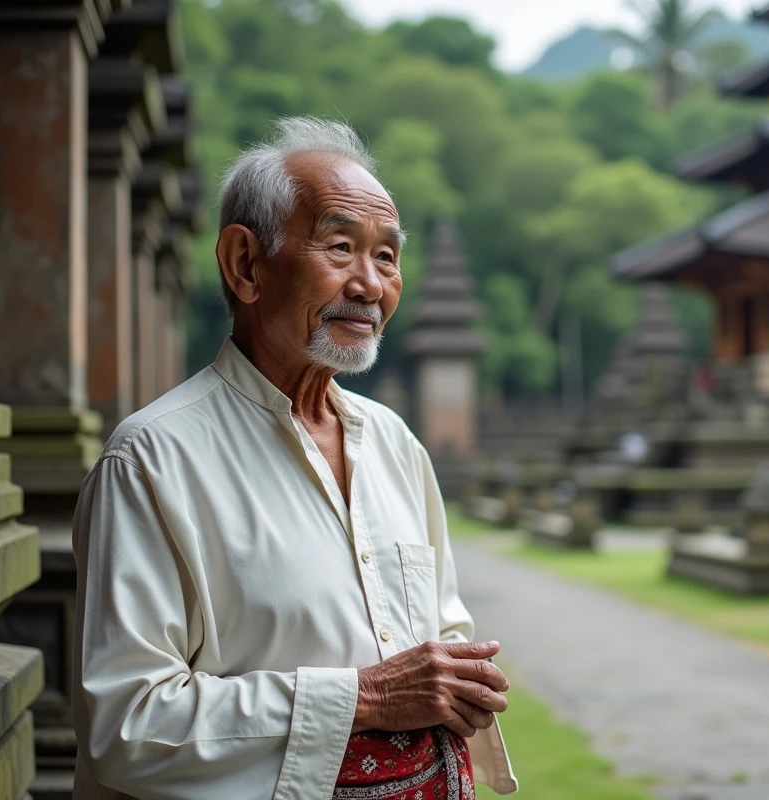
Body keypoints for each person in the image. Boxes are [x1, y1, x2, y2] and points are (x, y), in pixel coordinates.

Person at [71, 118, 518, 800]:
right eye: (340, 247)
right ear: (246, 265)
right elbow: (127, 724)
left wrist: (460, 679)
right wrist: (364, 698)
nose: (370, 286)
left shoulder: (395, 444)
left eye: (387, 257)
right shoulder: (151, 461)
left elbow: (441, 632)